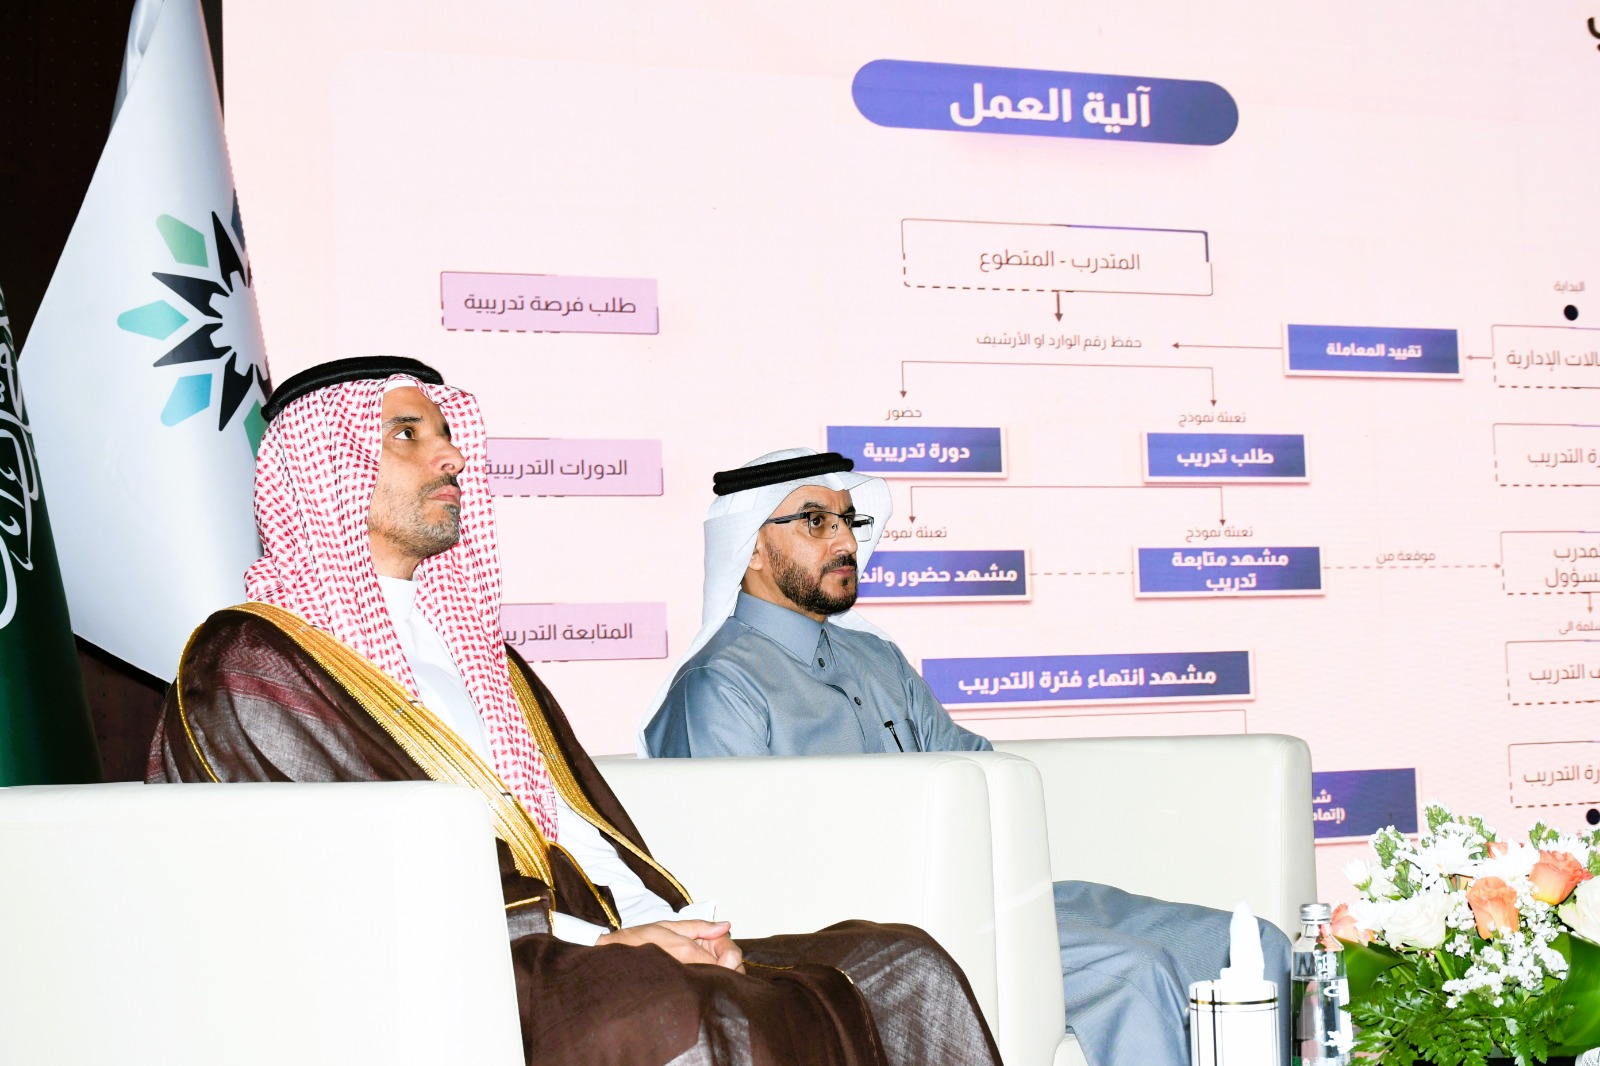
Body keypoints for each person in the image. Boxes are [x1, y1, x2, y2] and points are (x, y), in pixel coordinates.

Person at [148, 361, 1002, 1066]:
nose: (450, 456)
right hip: (447, 963)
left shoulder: (478, 652)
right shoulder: (252, 660)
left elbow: (571, 826)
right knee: (667, 1009)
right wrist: (595, 945)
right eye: (407, 435)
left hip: (572, 944)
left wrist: (657, 924)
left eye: (446, 433)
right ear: (320, 472)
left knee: (901, 963)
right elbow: (331, 886)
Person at [639, 448, 1292, 1066]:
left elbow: (976, 771)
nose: (845, 542)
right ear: (752, 546)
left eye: (847, 521)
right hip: (871, 935)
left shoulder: (875, 657)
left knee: (1251, 945)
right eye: (815, 522)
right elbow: (743, 874)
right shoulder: (720, 686)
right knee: (1133, 972)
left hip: (985, 899)